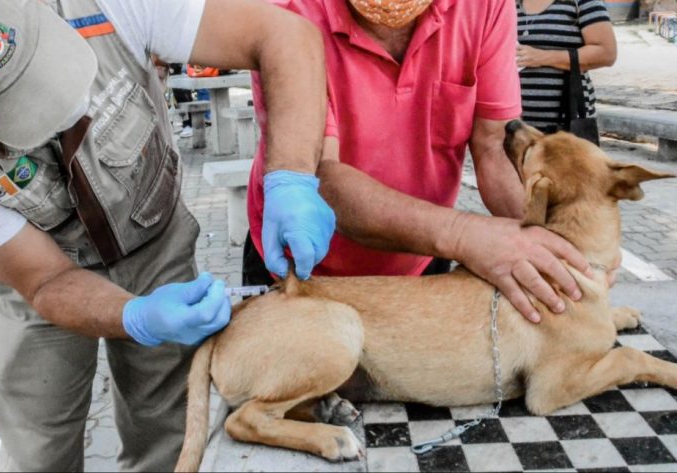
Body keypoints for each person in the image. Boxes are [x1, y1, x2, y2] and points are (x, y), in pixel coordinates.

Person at [0, 0, 334, 470]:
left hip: (155, 242)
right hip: (45, 273)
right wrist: (136, 316)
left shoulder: (115, 6)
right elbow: (46, 281)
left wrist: (291, 177)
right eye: (13, 104)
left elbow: (285, 36)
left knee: (169, 434)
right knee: (35, 439)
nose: (60, 112)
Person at [244, 0, 601, 324]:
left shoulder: (485, 6)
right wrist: (465, 236)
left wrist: (556, 244)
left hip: (422, 262)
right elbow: (322, 177)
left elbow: (492, 146)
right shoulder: (288, 11)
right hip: (303, 272)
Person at [517, 0, 617, 132]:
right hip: (514, 128)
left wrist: (543, 57)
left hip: (567, 126)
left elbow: (607, 53)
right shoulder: (506, 3)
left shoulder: (582, 2)